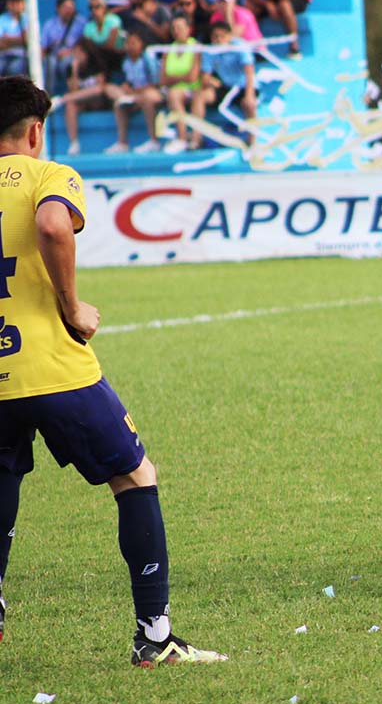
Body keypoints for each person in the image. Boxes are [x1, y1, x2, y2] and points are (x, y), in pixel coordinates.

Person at [0, 75, 226, 665]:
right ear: (35, 132)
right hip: (55, 369)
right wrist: (71, 306)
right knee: (134, 476)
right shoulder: (49, 174)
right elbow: (52, 225)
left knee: (1, 482)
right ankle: (155, 637)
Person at [102, 30, 163, 154]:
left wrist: (135, 90)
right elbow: (130, 81)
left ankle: (153, 140)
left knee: (147, 98)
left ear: (141, 44)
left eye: (133, 43)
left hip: (151, 93)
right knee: (118, 103)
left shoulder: (147, 59)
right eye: (128, 43)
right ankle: (122, 143)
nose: (130, 46)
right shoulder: (126, 62)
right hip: (135, 95)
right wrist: (126, 88)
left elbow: (156, 83)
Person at [200, 21, 256, 142]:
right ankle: (196, 138)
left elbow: (249, 72)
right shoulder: (210, 51)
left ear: (230, 36)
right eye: (215, 37)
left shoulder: (240, 46)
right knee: (201, 96)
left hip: (243, 87)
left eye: (222, 36)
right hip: (227, 87)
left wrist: (249, 94)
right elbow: (205, 78)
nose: (219, 40)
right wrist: (210, 81)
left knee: (249, 104)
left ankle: (253, 142)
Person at [159, 14, 203, 153]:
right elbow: (163, 79)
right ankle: (182, 138)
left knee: (174, 94)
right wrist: (180, 78)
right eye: (173, 28)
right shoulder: (168, 50)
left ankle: (191, 138)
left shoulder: (195, 47)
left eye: (179, 27)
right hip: (174, 90)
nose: (176, 31)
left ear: (188, 29)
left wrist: (173, 78)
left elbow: (192, 77)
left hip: (192, 89)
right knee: (172, 94)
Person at [40, 0, 85, 94]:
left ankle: (73, 93)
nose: (69, 10)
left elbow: (84, 46)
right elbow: (43, 48)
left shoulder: (80, 23)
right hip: (54, 57)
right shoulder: (50, 25)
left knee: (69, 63)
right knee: (49, 62)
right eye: (66, 7)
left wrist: (70, 52)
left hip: (72, 56)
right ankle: (48, 94)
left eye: (71, 7)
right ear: (58, 8)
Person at [79, 0, 124, 76]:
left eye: (97, 7)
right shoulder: (89, 26)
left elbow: (111, 45)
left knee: (94, 50)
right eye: (91, 7)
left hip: (114, 54)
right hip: (97, 57)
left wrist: (94, 46)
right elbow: (87, 45)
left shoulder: (113, 20)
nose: (93, 10)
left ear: (104, 8)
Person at [0, 0, 26, 76]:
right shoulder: (2, 19)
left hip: (22, 56)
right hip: (3, 55)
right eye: (13, 2)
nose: (16, 5)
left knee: (14, 68)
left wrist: (8, 38)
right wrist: (19, 39)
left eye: (18, 2)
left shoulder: (28, 18)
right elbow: (0, 43)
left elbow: (27, 39)